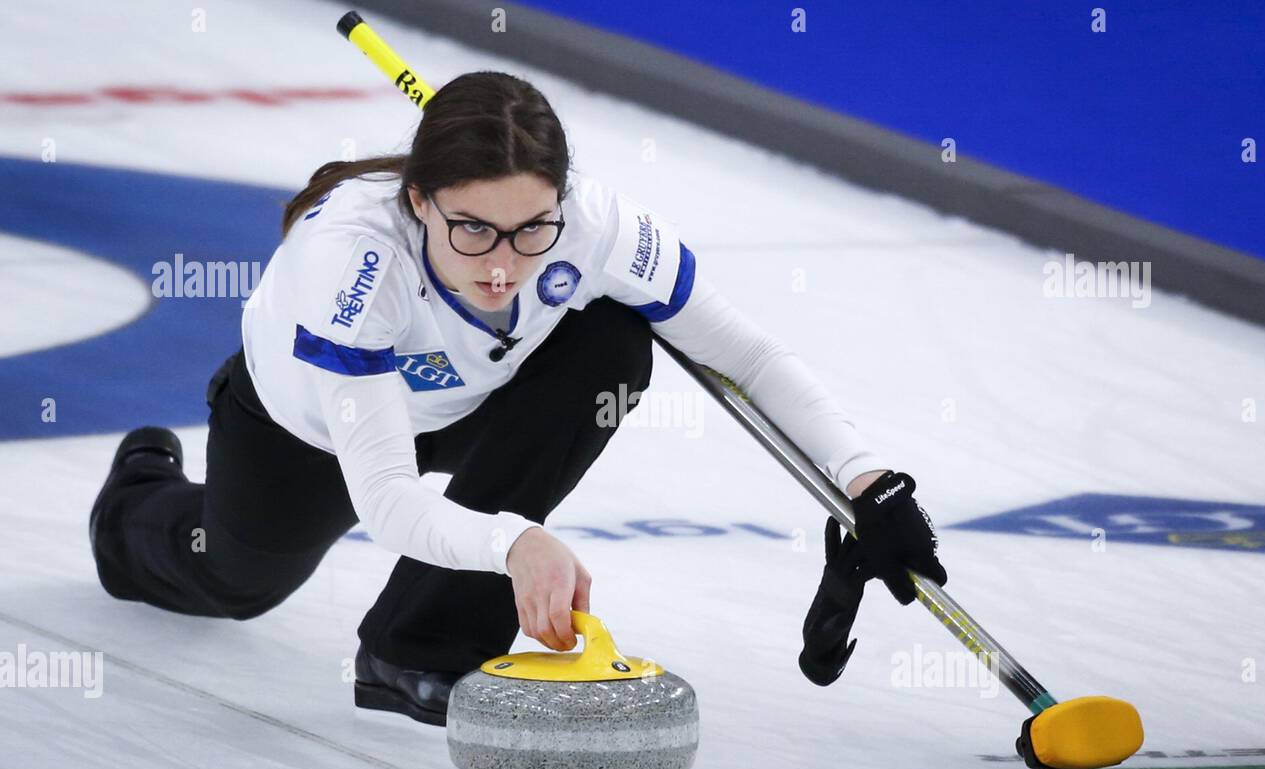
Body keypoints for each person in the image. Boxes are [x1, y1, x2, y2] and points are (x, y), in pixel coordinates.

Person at [89, 70, 945, 726]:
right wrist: (516, 542)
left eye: (530, 228)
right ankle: (135, 494)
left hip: (471, 403)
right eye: (471, 230)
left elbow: (747, 356)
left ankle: (418, 647)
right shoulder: (352, 264)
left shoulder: (595, 224)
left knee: (614, 343)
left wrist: (869, 479)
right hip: (310, 426)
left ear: (562, 201)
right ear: (418, 200)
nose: (502, 265)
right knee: (234, 580)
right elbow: (384, 496)